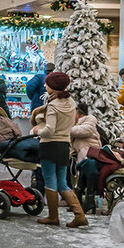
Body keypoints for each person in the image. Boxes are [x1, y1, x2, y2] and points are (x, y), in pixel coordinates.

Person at [32, 71, 87, 228]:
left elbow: (49, 130)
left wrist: (37, 131)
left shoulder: (54, 107)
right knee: (62, 182)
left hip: (49, 145)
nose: (44, 85)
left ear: (53, 87)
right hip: (64, 145)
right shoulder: (70, 102)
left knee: (50, 180)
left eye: (47, 84)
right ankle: (79, 215)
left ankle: (53, 216)